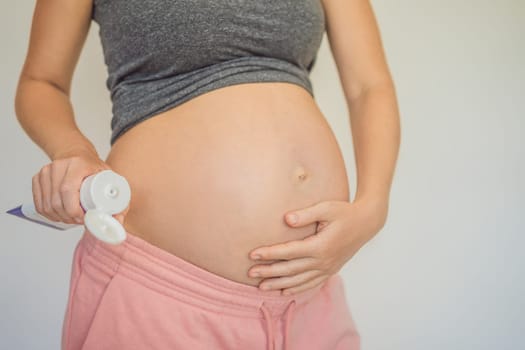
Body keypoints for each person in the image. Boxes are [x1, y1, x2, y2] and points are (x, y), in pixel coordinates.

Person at [15, 0, 400, 349]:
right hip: (161, 291)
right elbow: (41, 82)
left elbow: (369, 87)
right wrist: (73, 152)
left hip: (311, 301)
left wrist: (373, 207)